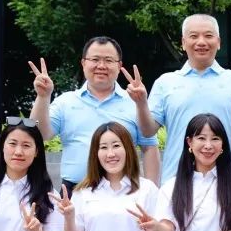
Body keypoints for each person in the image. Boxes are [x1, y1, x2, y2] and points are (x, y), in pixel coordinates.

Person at [124, 14, 231, 181]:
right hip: (175, 180)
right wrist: (141, 103)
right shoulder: (166, 82)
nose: (201, 42)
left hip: (222, 181)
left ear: (218, 42)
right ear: (183, 42)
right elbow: (147, 131)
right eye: (194, 36)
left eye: (208, 36)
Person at [29, 36, 160, 190]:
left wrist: (152, 192)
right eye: (95, 59)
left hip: (124, 192)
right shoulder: (65, 102)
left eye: (109, 60)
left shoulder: (135, 101)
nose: (101, 66)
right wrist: (43, 97)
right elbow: (40, 134)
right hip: (75, 190)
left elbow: (149, 148)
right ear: (83, 63)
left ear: (119, 65)